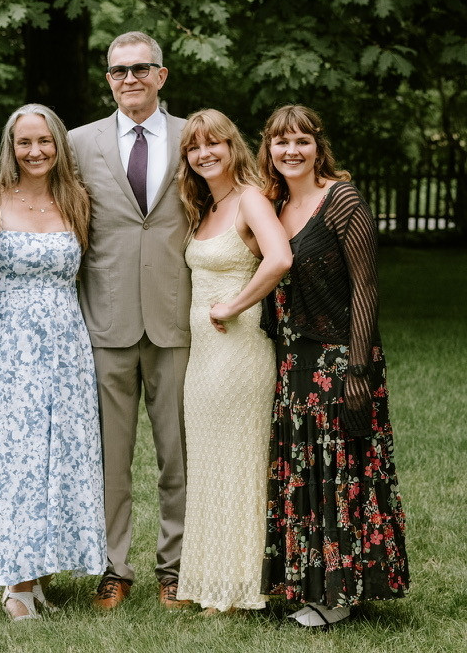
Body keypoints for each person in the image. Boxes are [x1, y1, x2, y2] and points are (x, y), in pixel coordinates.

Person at [257, 104, 409, 627]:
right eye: (281, 142)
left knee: (341, 475)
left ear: (318, 147)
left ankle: (342, 596)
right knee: (307, 475)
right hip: (293, 361)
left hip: (341, 357)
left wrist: (360, 371)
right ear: (269, 149)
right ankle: (315, 587)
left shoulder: (340, 199)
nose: (291, 151)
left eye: (302, 141)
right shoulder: (274, 205)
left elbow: (366, 285)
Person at [0, 104, 106, 620]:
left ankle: (40, 571)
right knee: (16, 457)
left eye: (44, 141)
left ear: (58, 145)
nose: (35, 151)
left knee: (57, 457)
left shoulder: (77, 200)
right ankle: (15, 583)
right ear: (10, 148)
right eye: (24, 143)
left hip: (66, 345)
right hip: (10, 346)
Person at [68, 31, 191, 610]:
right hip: (106, 321)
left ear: (161, 75)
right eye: (119, 71)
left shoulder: (197, 137)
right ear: (108, 78)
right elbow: (47, 211)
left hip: (178, 319)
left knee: (178, 453)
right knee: (109, 459)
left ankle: (177, 567)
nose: (130, 79)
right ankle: (115, 567)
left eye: (141, 68)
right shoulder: (77, 143)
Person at [172, 109, 291, 614]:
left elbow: (280, 257)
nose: (204, 154)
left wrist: (235, 304)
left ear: (232, 147)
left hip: (239, 353)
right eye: (194, 147)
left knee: (240, 464)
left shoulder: (249, 199)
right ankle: (212, 581)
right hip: (203, 359)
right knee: (209, 464)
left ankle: (244, 585)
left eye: (213, 144)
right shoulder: (207, 206)